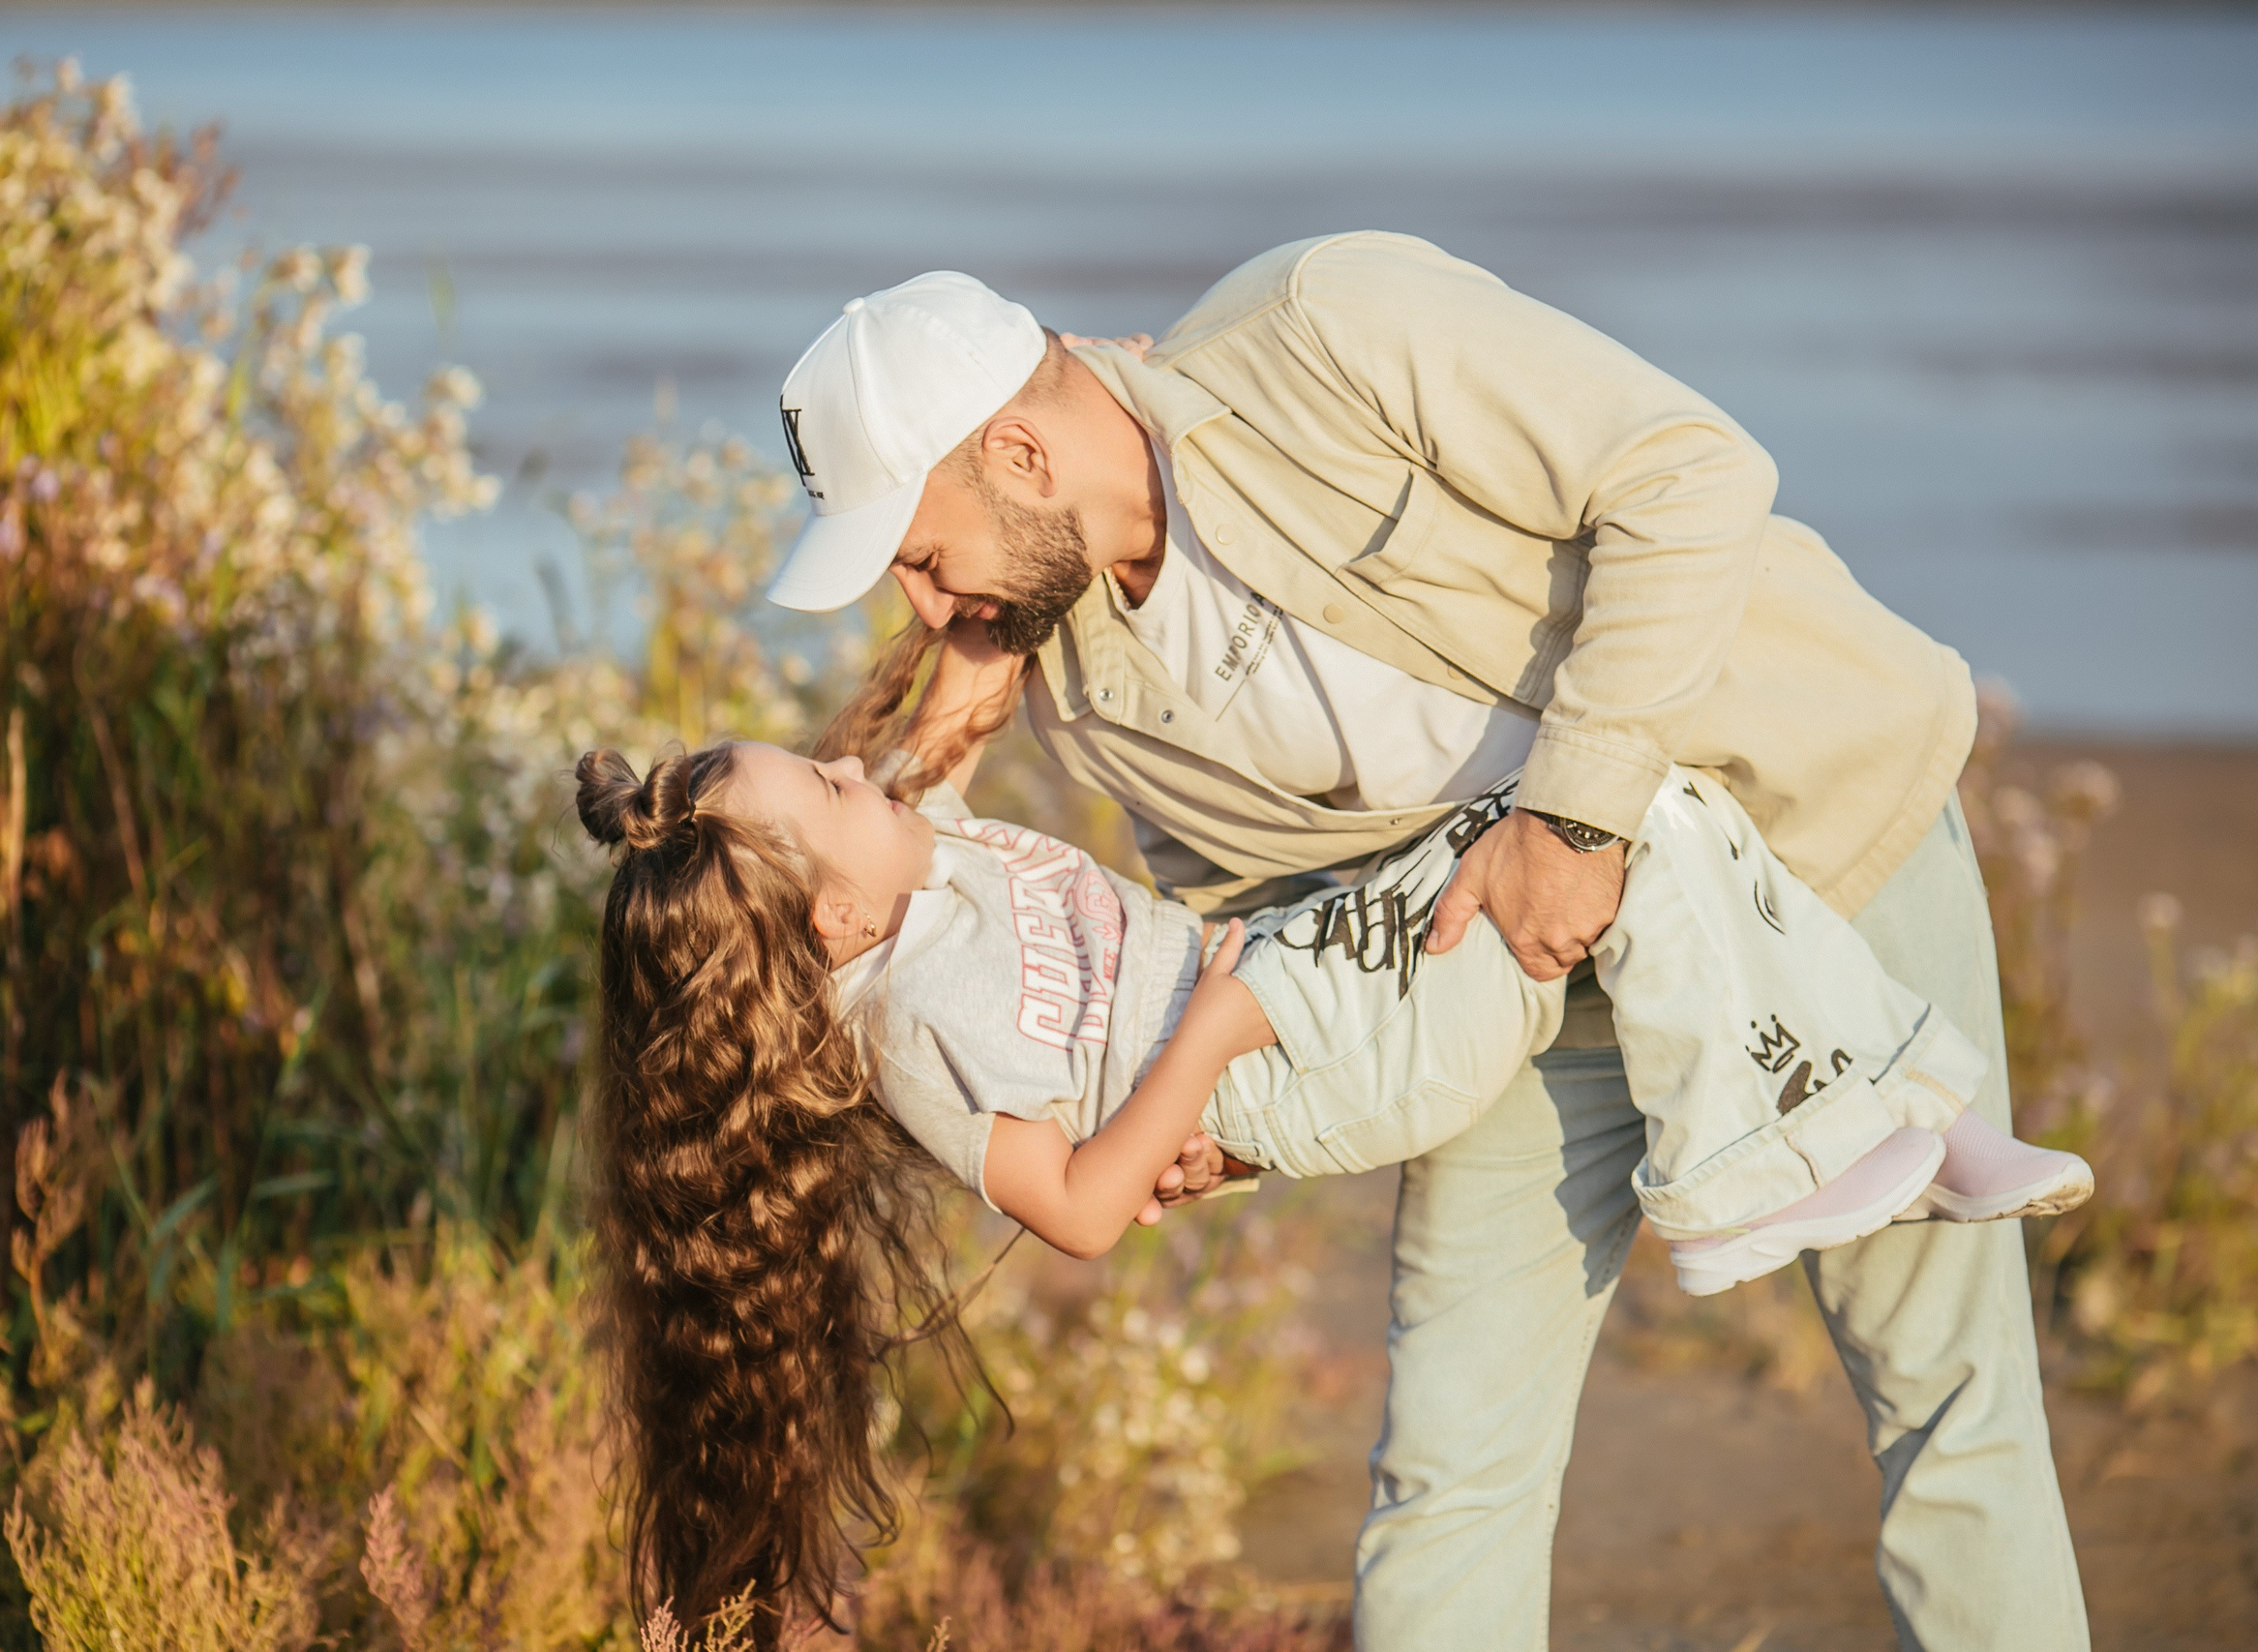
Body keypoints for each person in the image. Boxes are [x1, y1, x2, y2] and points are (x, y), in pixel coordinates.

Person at [761, 240, 2093, 1648]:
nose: (929, 609)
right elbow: (1267, 917)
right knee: (1450, 1472)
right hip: (1506, 986)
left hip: (1810, 834)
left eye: (924, 556)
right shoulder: (1087, 697)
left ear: (1021, 454)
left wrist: (1572, 824)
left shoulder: (1323, 323)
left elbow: (1689, 475)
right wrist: (1210, 1120)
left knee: (1948, 1401)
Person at [574, 712, 2090, 1642]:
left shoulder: (921, 865)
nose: (855, 766)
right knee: (1622, 811)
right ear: (832, 927)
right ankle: (1754, 1163)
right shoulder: (917, 1028)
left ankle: (1878, 1116)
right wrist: (1208, 1039)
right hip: (1299, 1050)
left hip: (1308, 981)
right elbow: (1081, 1211)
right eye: (829, 788)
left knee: (1649, 803)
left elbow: (941, 724)